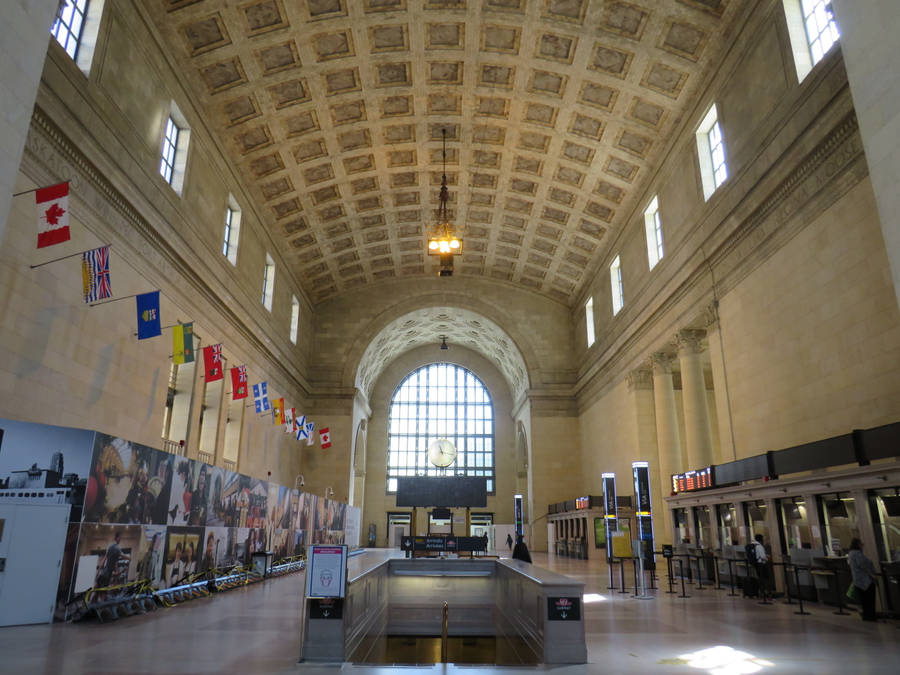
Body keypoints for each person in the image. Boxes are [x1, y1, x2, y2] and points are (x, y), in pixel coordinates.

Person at [848, 538, 878, 621]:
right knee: (869, 600)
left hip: (857, 580)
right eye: (861, 544)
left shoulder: (850, 554)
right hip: (865, 581)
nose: (862, 546)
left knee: (863, 600)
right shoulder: (857, 554)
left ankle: (866, 616)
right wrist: (872, 574)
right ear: (858, 544)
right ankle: (870, 616)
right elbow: (864, 565)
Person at [751, 534, 770, 601]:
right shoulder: (759, 546)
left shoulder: (753, 545)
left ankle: (761, 592)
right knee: (765, 578)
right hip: (762, 564)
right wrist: (767, 558)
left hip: (756, 564)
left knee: (760, 578)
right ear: (761, 539)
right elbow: (763, 557)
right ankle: (765, 593)